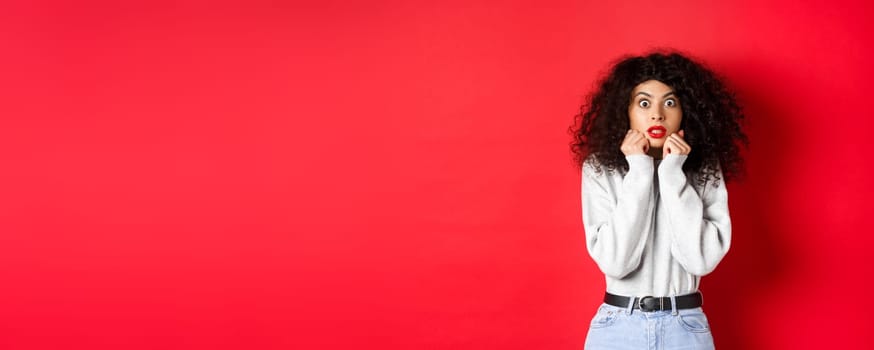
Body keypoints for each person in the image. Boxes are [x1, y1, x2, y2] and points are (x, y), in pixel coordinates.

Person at [569, 51, 748, 349]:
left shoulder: (703, 169)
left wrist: (673, 173)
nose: (657, 115)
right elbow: (616, 262)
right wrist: (639, 170)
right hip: (618, 327)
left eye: (669, 102)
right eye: (643, 103)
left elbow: (700, 259)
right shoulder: (600, 169)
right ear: (625, 111)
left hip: (686, 327)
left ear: (685, 111)